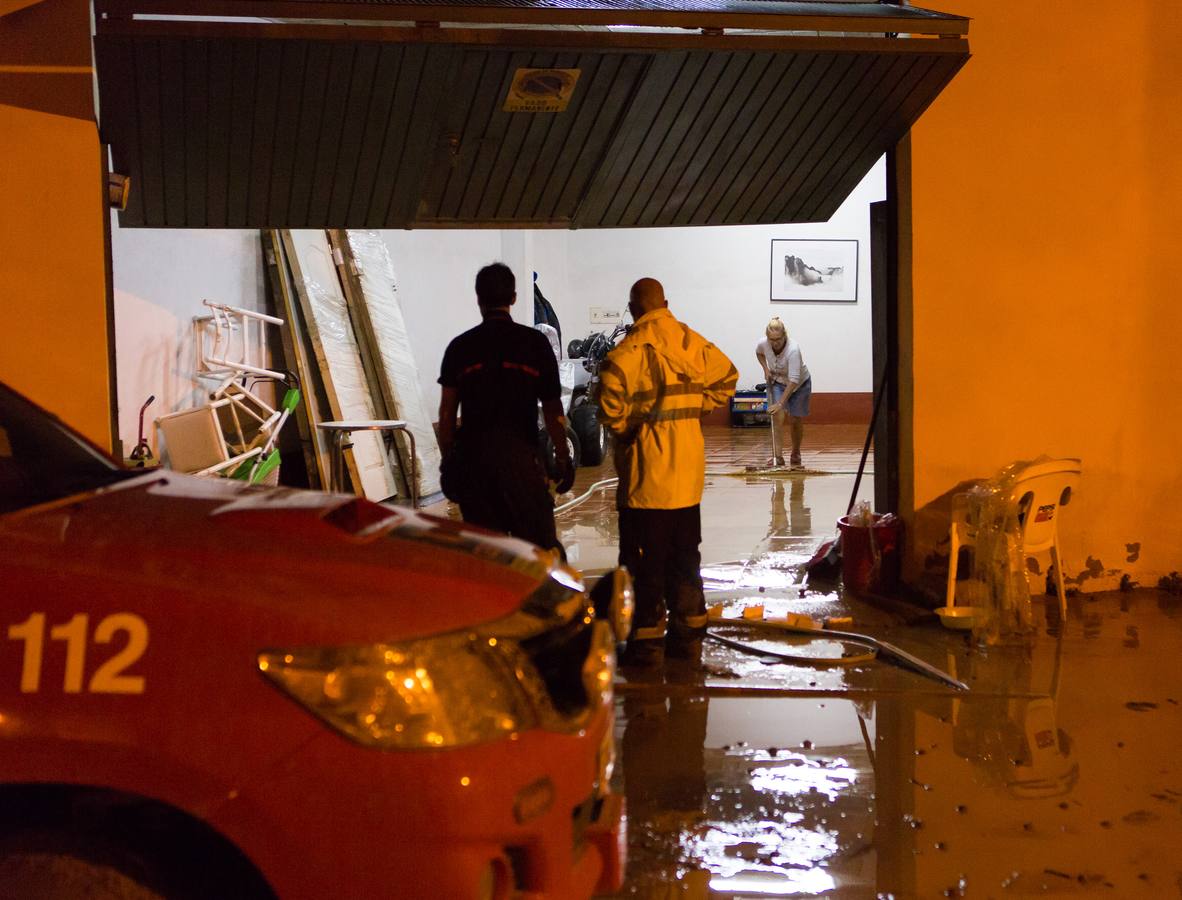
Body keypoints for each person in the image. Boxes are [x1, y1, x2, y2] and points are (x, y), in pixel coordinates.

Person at [598, 277, 738, 664]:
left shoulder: (628, 353)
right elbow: (728, 377)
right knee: (685, 557)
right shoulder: (693, 343)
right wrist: (698, 408)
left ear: (633, 310)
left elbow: (608, 400)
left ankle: (646, 645)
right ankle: (689, 636)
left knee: (645, 565)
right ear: (666, 303)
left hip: (647, 482)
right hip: (688, 480)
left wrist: (629, 430)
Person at [437, 263, 575, 556]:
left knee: (485, 558)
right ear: (513, 298)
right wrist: (563, 458)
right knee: (540, 555)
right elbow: (553, 410)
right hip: (523, 466)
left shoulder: (460, 348)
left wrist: (448, 462)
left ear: (478, 298)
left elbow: (447, 414)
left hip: (476, 468)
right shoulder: (535, 344)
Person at [755, 316, 811, 469]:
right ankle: (777, 456)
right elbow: (759, 353)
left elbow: (793, 380)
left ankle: (796, 452)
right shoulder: (763, 344)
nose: (775, 343)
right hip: (778, 383)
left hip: (799, 384)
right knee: (777, 417)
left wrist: (781, 403)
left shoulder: (793, 349)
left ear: (784, 335)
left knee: (795, 419)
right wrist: (766, 369)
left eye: (778, 339)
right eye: (772, 339)